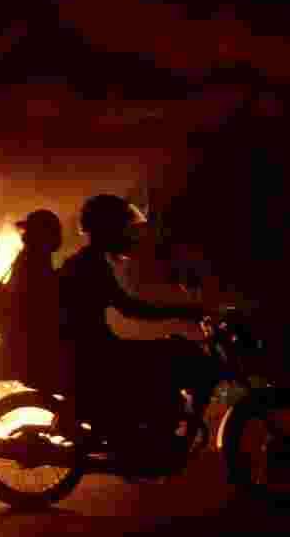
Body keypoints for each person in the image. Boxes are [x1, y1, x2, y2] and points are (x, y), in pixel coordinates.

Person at [55, 194, 222, 458]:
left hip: (91, 345)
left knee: (166, 355)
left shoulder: (88, 260)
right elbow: (130, 309)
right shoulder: (90, 265)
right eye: (122, 227)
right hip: (93, 350)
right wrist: (183, 311)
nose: (127, 234)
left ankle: (151, 432)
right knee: (173, 357)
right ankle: (145, 440)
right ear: (107, 229)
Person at [0, 209, 68, 386]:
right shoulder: (35, 259)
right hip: (32, 342)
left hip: (24, 338)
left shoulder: (30, 257)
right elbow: (41, 298)